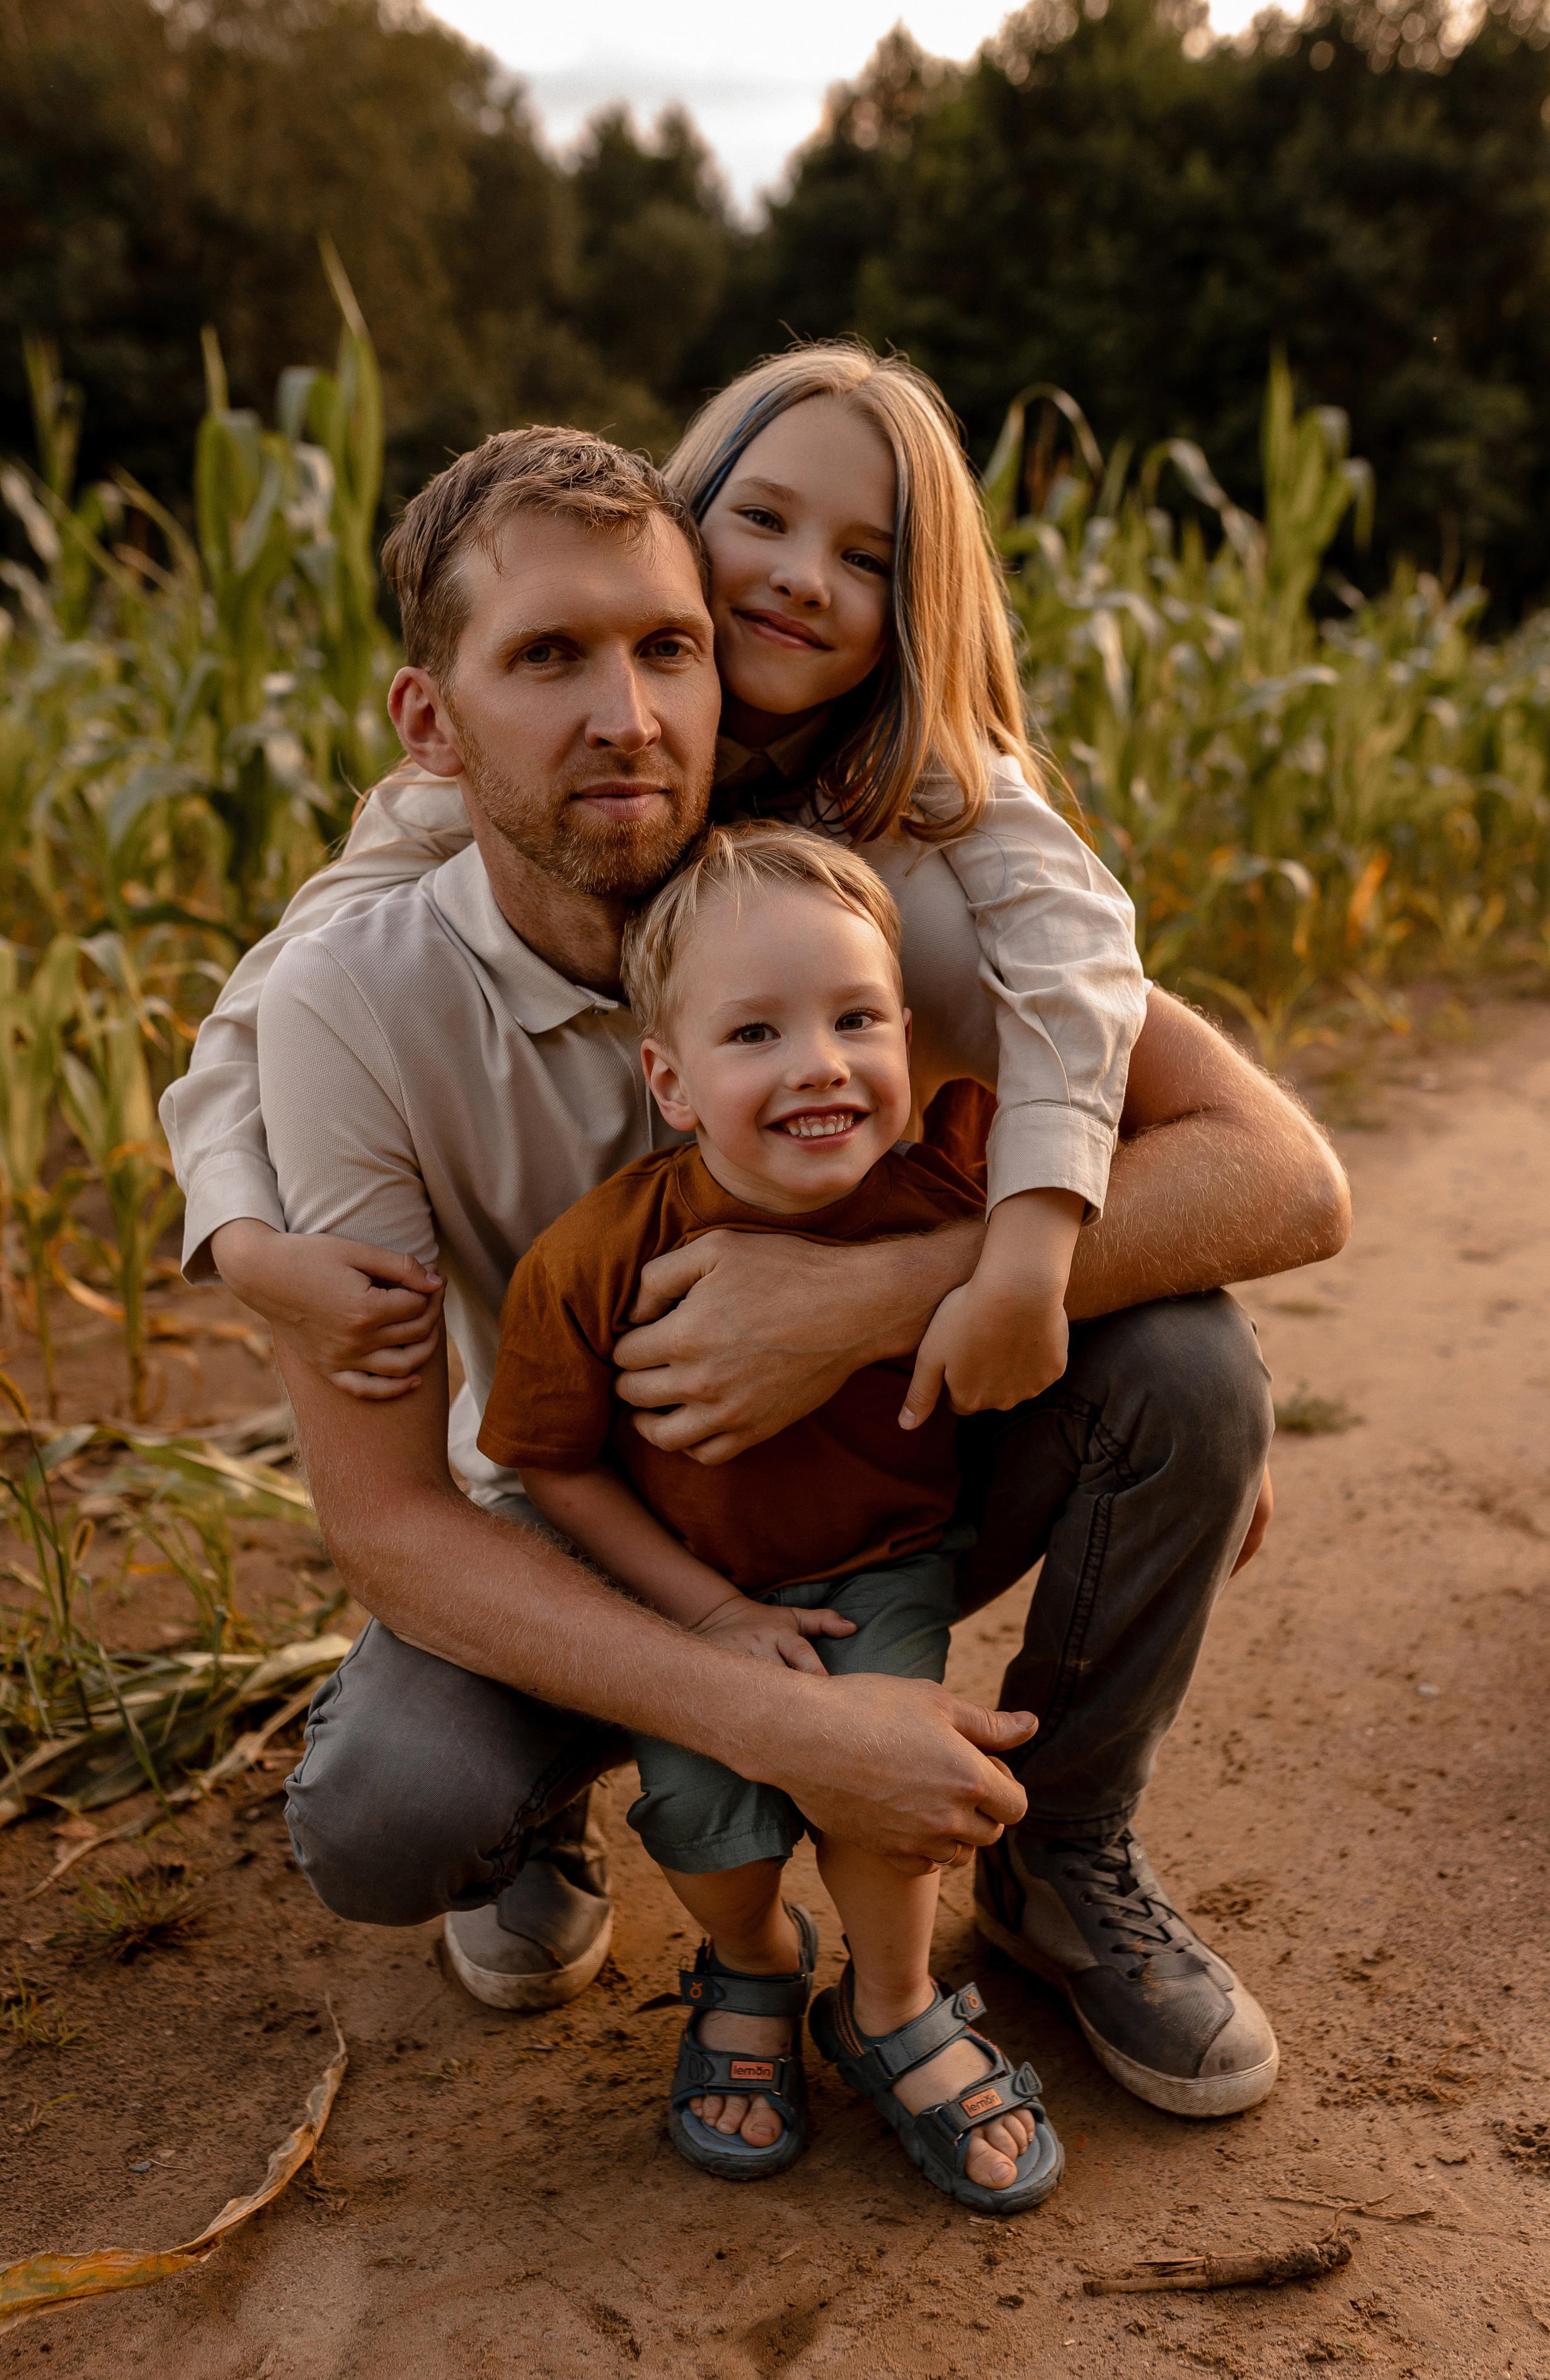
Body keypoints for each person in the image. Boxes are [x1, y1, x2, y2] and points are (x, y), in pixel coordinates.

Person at [161, 411, 1349, 2125]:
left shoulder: (866, 909)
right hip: (577, 1507)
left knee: (1184, 1372)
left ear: (735, 677)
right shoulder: (360, 990)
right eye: (549, 658)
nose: (628, 715)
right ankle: (546, 1810)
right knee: (390, 1811)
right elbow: (386, 1516)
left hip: (870, 1478)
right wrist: (774, 1716)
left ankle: (1062, 1857)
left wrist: (878, 1295)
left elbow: (1284, 1178)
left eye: (669, 650)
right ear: (432, 724)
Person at [481, 821, 1062, 2208]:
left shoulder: (948, 1183)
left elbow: (1100, 1220)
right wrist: (705, 1615)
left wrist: (1240, 1402)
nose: (818, 1061)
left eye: (856, 1017)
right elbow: (554, 1469)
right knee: (701, 1809)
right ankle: (750, 1962)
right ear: (669, 1082)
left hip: (885, 1560)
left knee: (880, 1779)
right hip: (689, 1588)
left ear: (910, 1036)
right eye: (755, 1033)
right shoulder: (593, 1259)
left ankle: (895, 1998)